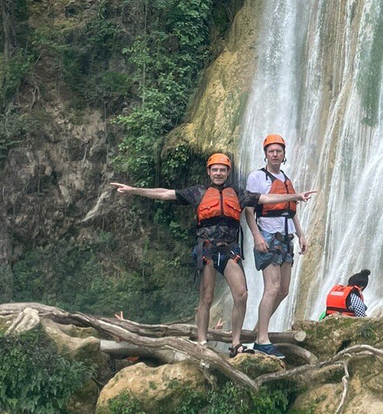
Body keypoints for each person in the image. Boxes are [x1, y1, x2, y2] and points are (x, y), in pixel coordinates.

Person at [112, 153, 316, 358]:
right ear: (209, 172)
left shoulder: (238, 193)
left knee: (242, 294)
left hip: (229, 249)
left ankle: (236, 343)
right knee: (206, 297)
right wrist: (134, 190)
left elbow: (265, 198)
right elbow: (165, 193)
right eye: (215, 169)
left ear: (228, 172)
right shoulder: (197, 192)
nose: (218, 173)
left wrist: (294, 197)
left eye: (222, 169)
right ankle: (201, 342)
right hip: (207, 248)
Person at [243, 134, 309, 359]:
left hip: (286, 237)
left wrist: (301, 235)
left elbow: (291, 210)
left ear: (283, 154)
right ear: (265, 154)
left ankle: (257, 331)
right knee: (271, 287)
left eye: (278, 151)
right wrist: (256, 236)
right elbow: (249, 210)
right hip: (268, 236)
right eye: (271, 151)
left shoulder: (286, 178)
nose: (275, 154)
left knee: (283, 290)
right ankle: (262, 340)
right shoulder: (257, 177)